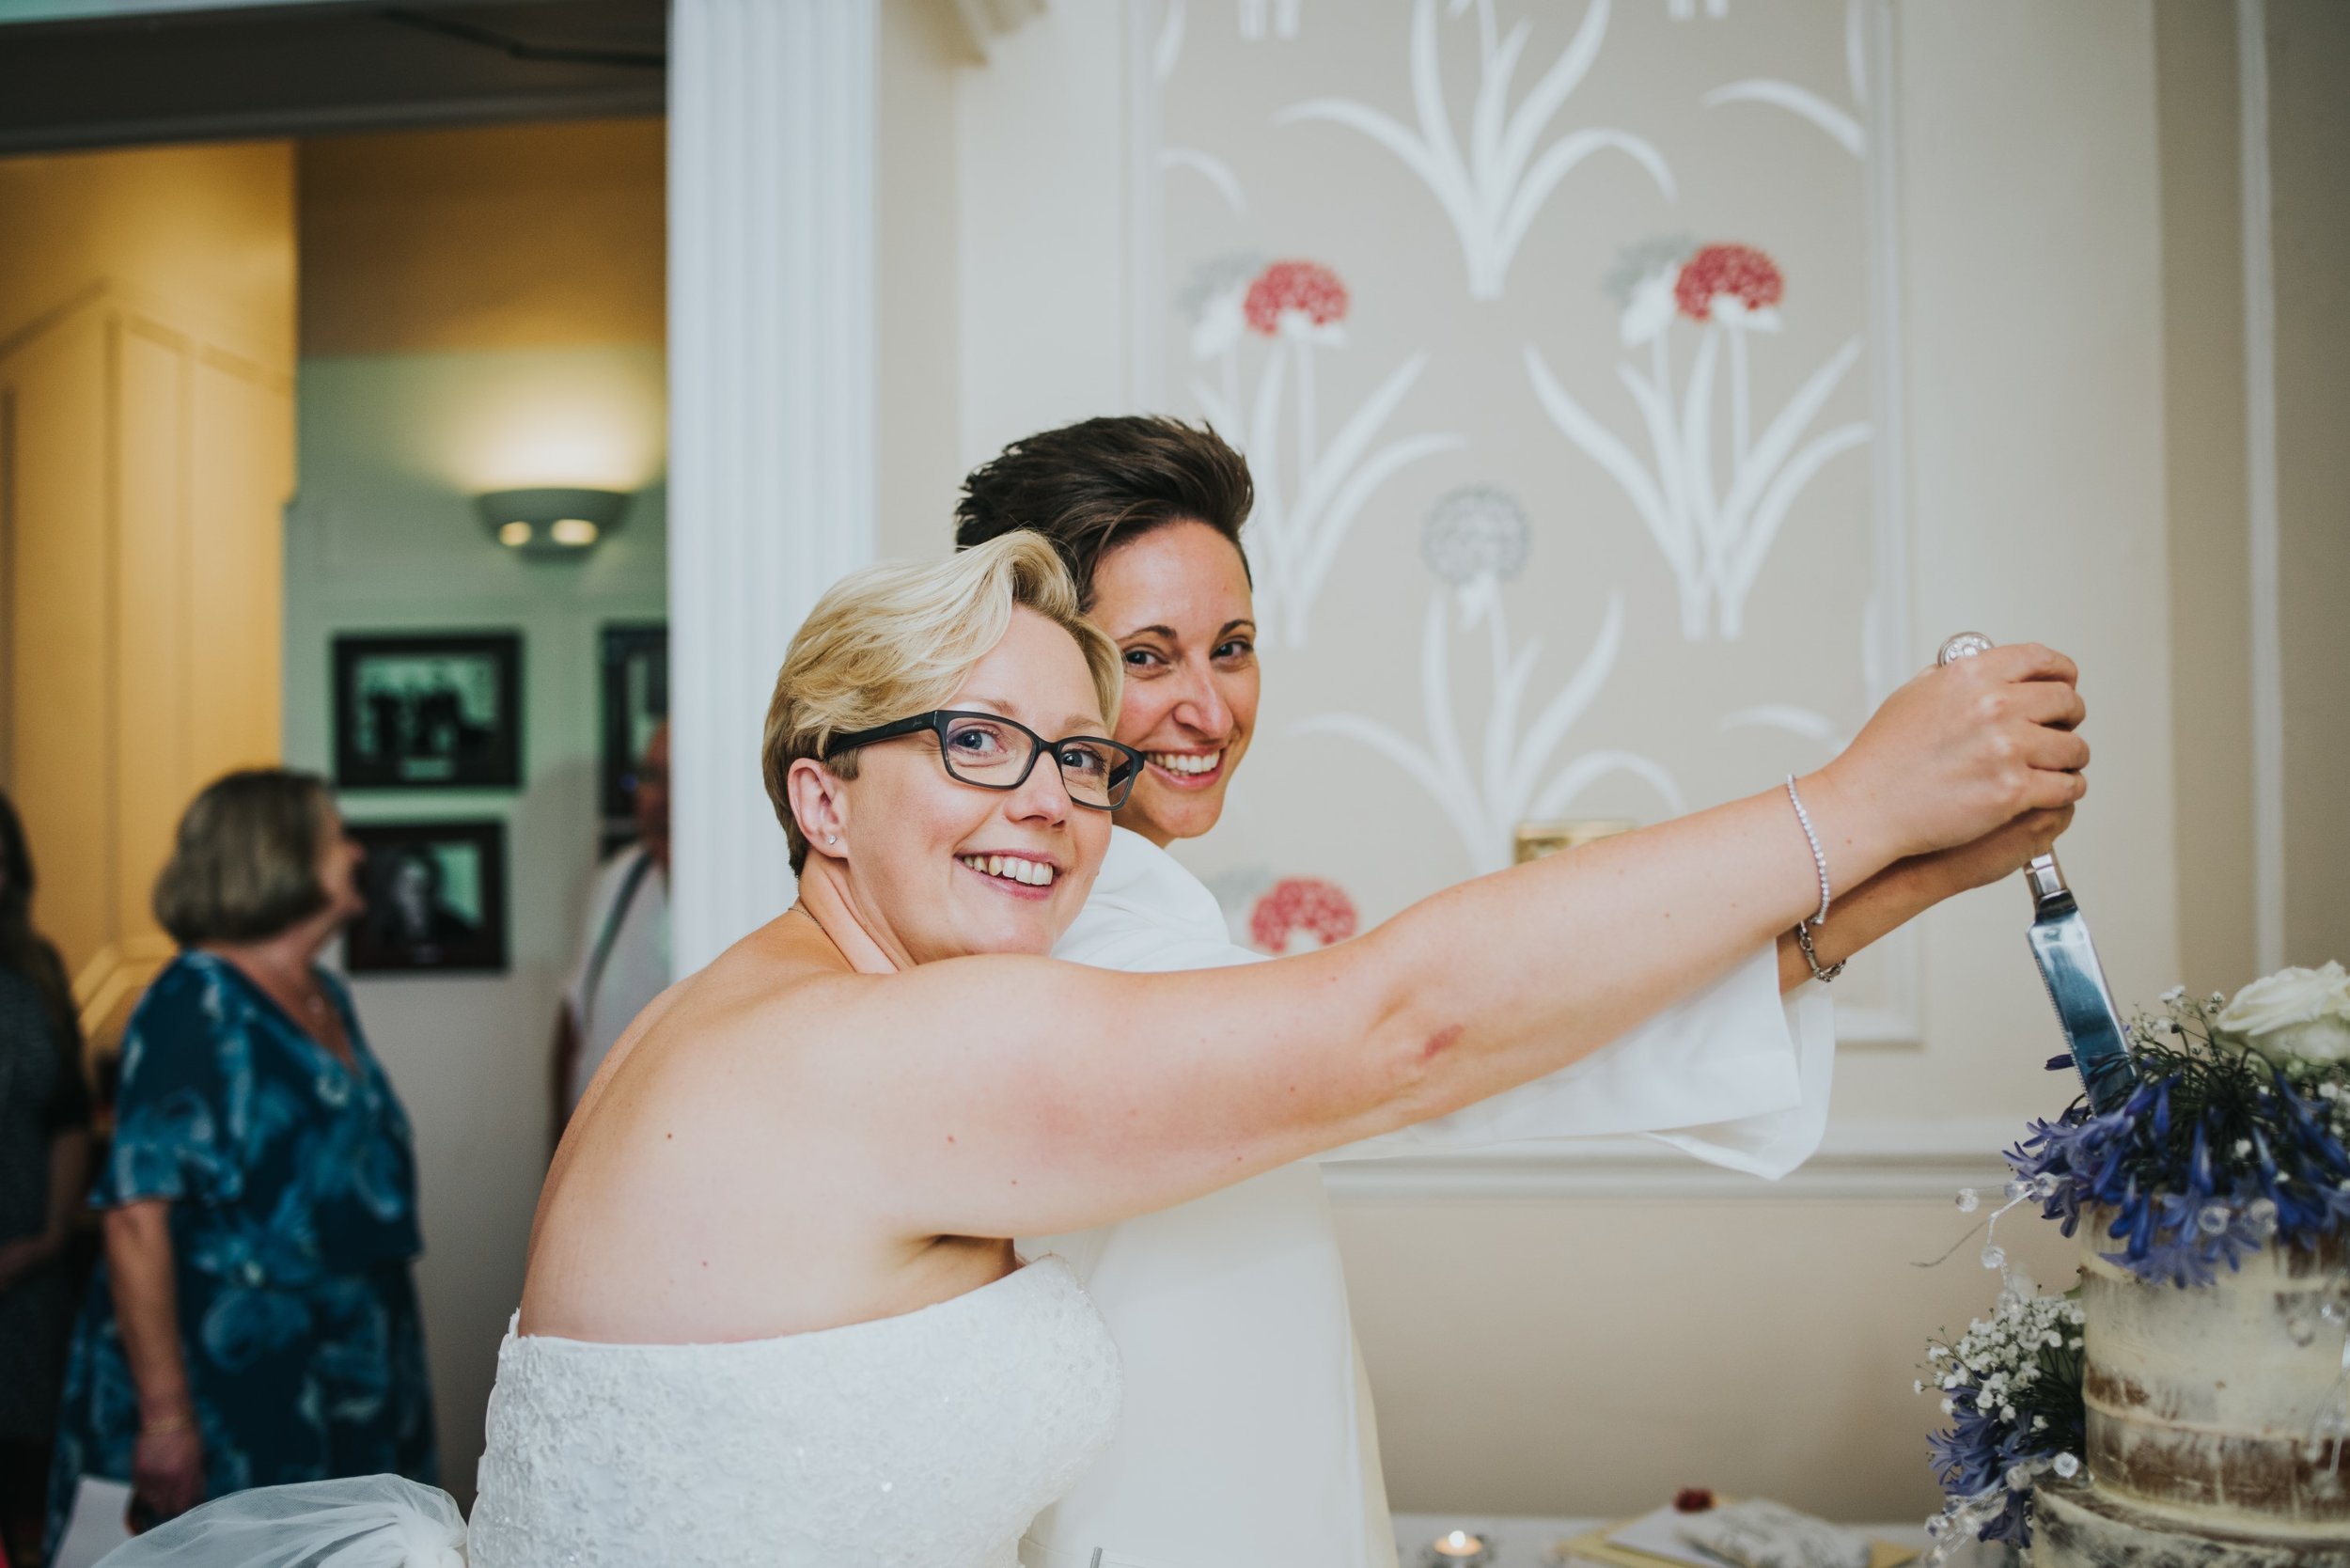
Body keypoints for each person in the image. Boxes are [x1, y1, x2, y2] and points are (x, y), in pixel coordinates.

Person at [92, 531, 2084, 1568]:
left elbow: (1408, 1048)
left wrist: (1871, 881)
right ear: (818, 795)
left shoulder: (792, 1011)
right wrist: (1846, 799)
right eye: (973, 743)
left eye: (1070, 755)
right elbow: (1398, 1022)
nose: (1046, 802)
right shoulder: (876, 1053)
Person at [953, 418, 2081, 1567]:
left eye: (1232, 647)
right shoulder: (1050, 945)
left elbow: (1511, 1049)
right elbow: (1422, 1034)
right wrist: (1863, 801)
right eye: (1149, 658)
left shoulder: (1158, 921)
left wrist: (1919, 871)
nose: (1209, 706)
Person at [46, 772, 435, 1558]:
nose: (358, 853)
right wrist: (165, 1418)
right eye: (337, 835)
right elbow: (135, 1214)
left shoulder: (324, 994)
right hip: (232, 1375)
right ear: (278, 853)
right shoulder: (197, 999)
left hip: (350, 1361)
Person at [0, 792, 93, 1567]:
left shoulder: (37, 969)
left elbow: (69, 1111)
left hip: (32, 1256)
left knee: (30, 1468)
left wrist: (51, 1236)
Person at [549, 721, 670, 1141]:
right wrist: (559, 1146)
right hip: (596, 1146)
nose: (660, 800)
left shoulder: (744, 897)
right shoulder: (621, 876)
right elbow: (574, 1014)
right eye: (651, 776)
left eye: (676, 778)